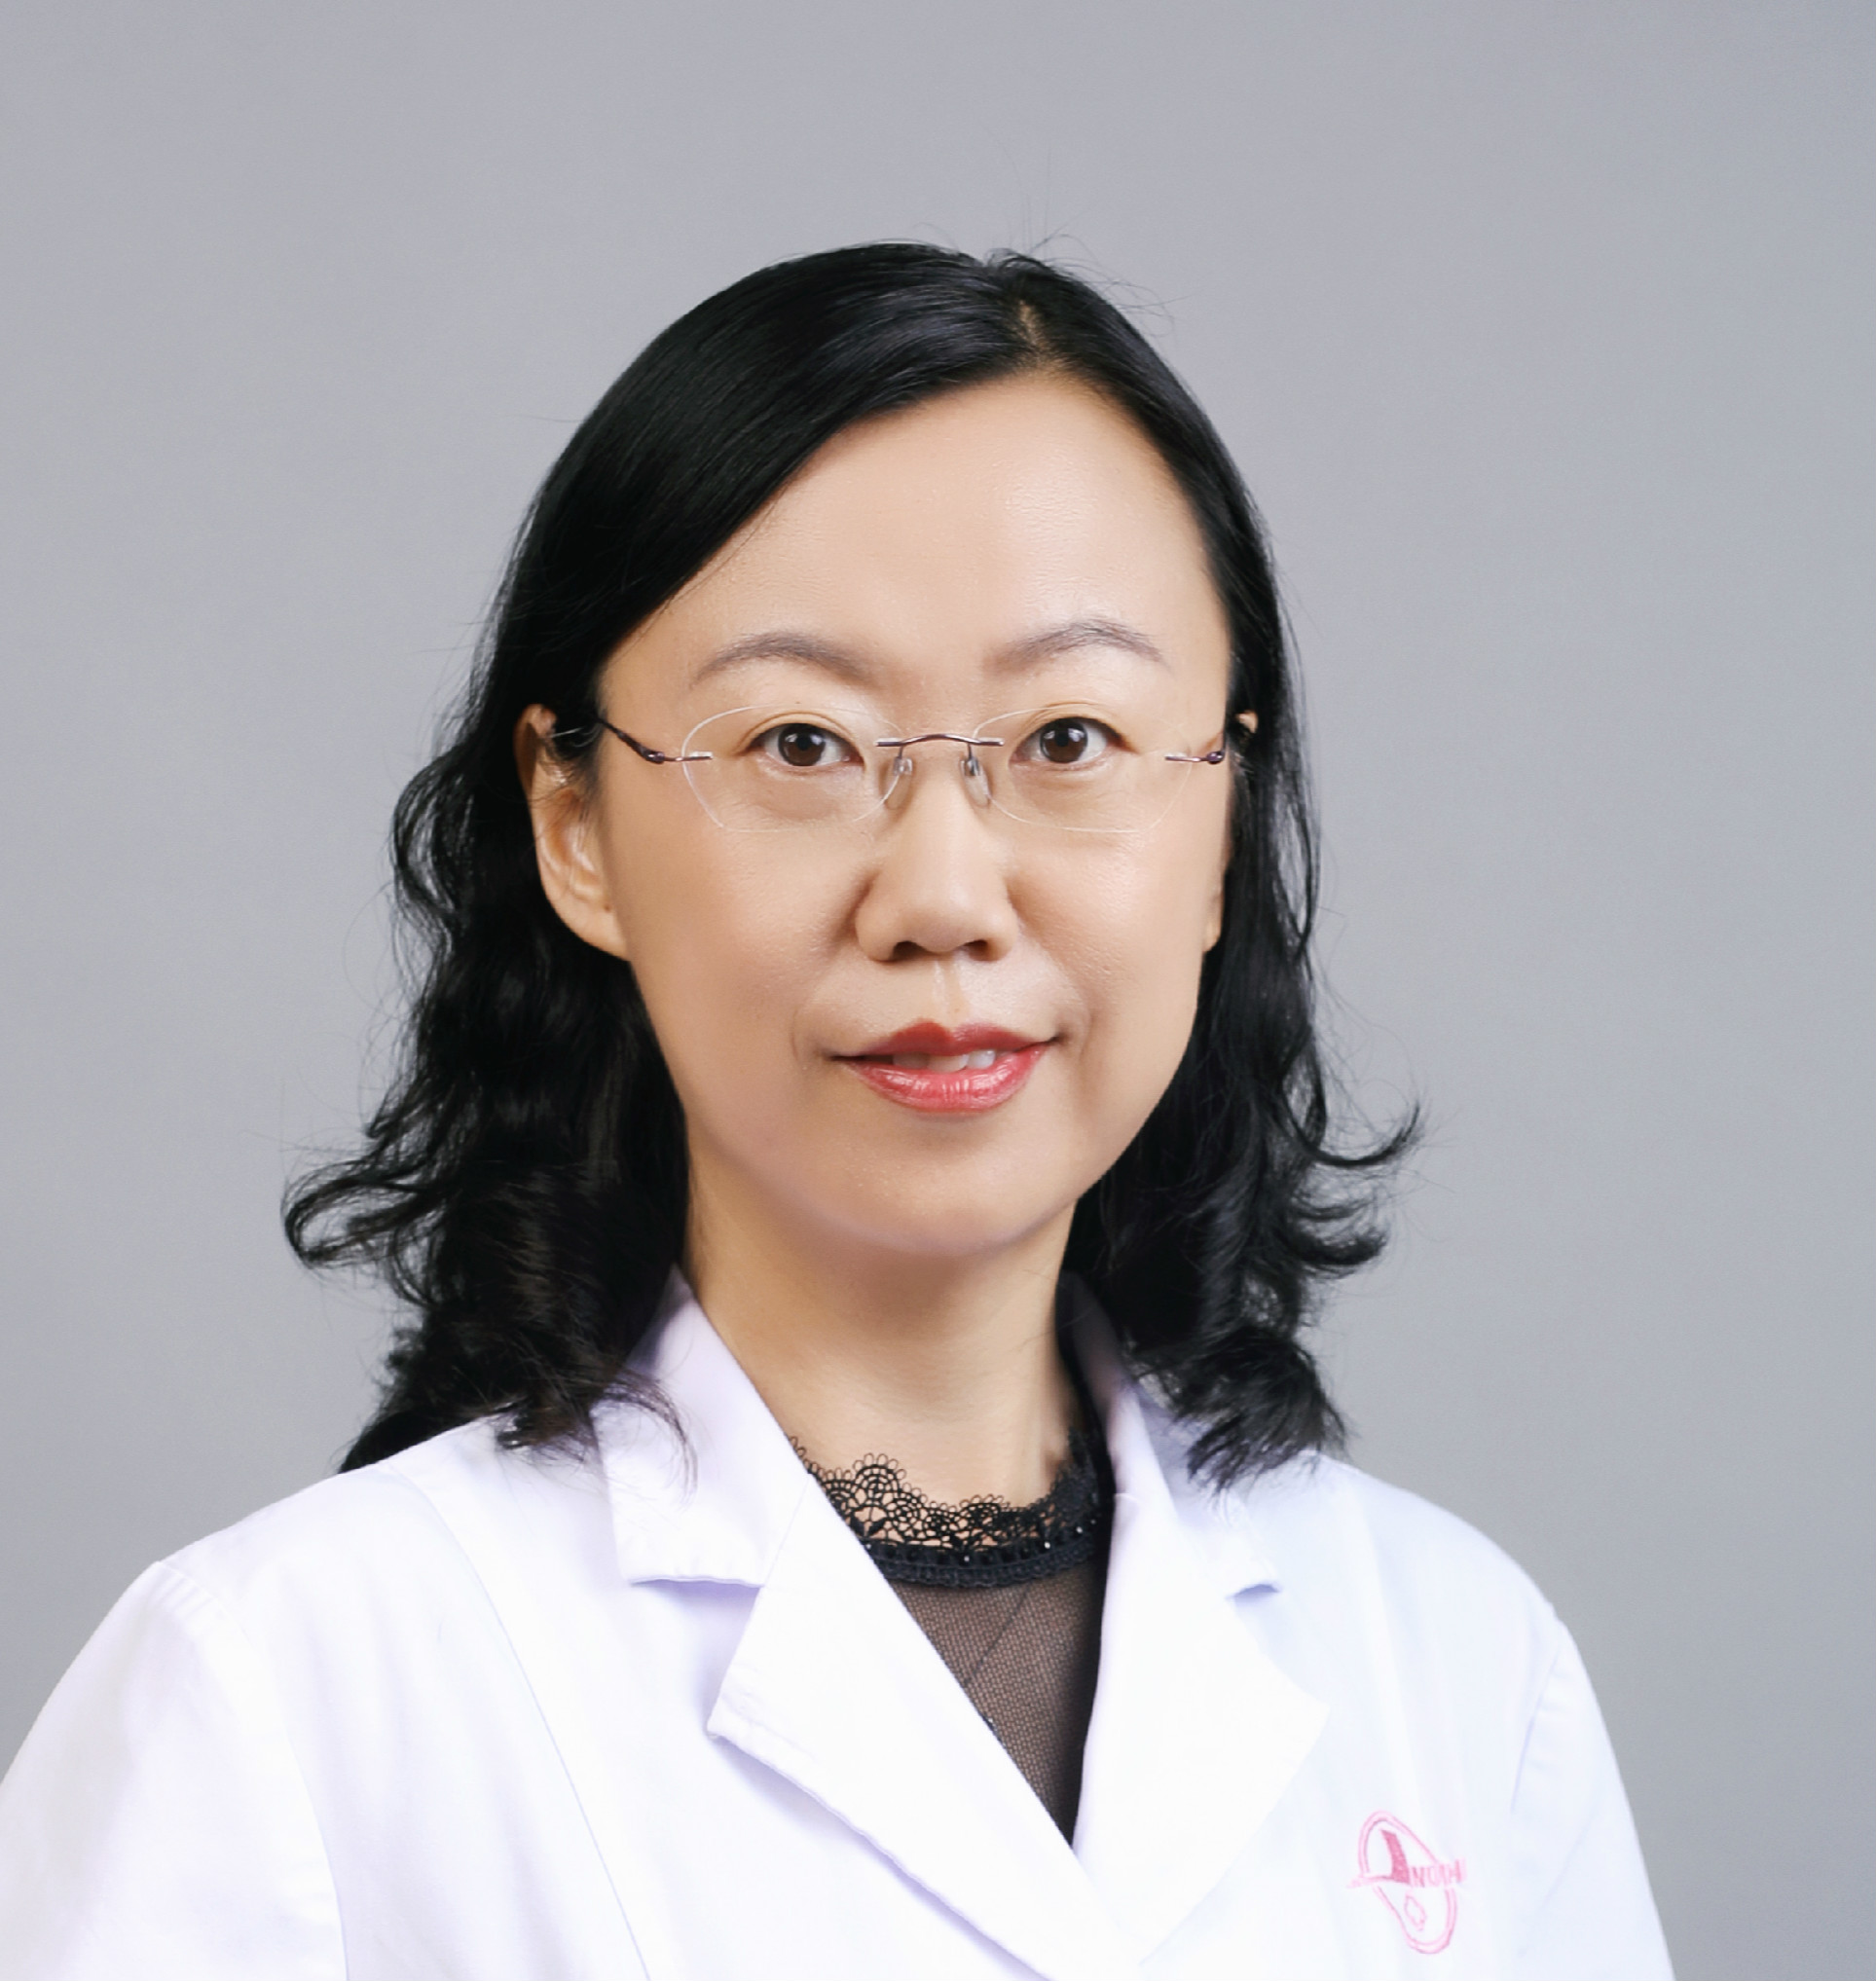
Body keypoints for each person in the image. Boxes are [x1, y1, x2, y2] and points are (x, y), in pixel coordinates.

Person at [0, 244, 1674, 1977]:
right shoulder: (280, 1697)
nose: (942, 895)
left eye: (1070, 738)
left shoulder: (1465, 1675)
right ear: (575, 825)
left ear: (1225, 825)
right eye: (800, 745)